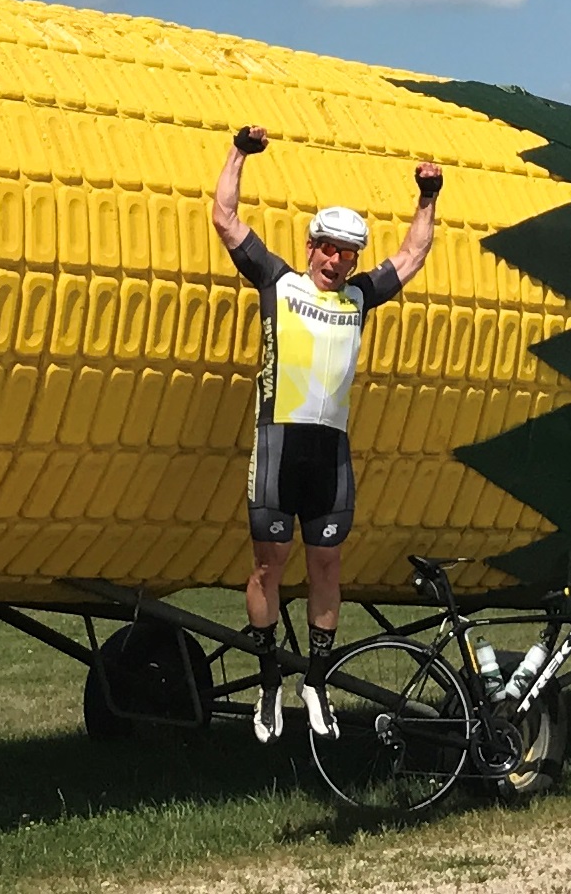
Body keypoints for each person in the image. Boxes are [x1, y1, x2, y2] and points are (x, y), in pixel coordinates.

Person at [209, 124, 440, 742]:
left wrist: (427, 196)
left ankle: (315, 681)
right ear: (310, 246)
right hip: (279, 447)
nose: (337, 261)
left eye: (348, 253)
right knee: (268, 570)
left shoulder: (361, 298)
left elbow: (413, 254)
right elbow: (225, 216)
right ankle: (266, 680)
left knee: (328, 568)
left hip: (330, 455)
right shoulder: (277, 283)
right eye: (328, 248)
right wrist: (240, 152)